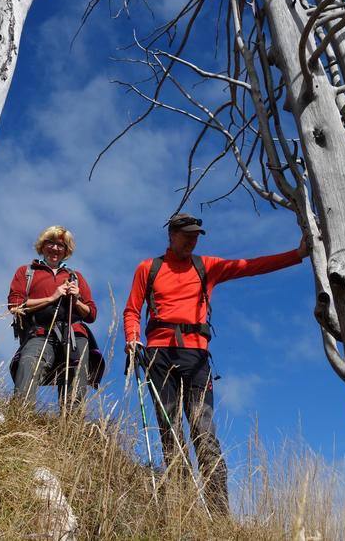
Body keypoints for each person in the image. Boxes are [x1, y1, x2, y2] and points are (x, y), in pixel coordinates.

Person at [122, 212, 308, 516]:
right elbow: (132, 309)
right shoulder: (149, 268)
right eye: (187, 235)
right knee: (171, 435)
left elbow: (251, 266)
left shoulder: (206, 266)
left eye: (196, 235)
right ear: (171, 236)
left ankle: (220, 516)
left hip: (196, 357)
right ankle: (181, 511)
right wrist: (132, 338)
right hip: (158, 355)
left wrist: (297, 254)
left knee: (204, 433)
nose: (193, 240)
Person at [7, 226, 104, 412]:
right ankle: (19, 415)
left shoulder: (76, 277)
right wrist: (51, 297)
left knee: (77, 373)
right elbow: (15, 306)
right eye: (50, 243)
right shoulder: (27, 272)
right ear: (42, 246)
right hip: (39, 331)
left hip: (74, 333)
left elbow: (91, 314)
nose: (55, 248)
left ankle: (70, 427)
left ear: (66, 251)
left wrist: (76, 301)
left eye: (61, 245)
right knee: (29, 363)